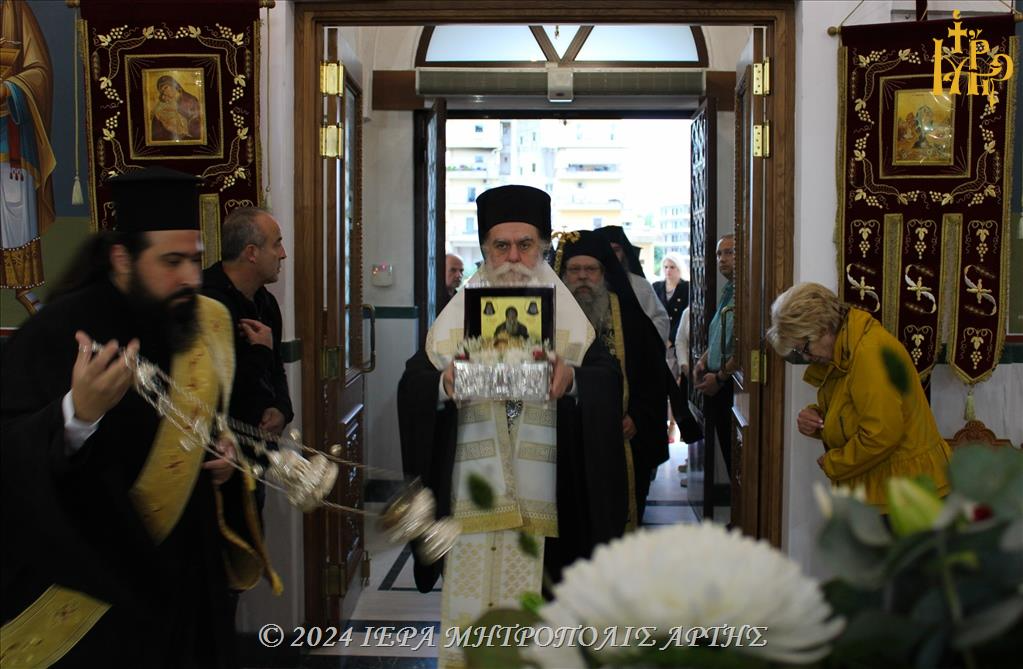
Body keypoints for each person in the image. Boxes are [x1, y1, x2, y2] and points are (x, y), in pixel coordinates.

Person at [0, 167, 279, 668]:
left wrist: (222, 455)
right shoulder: (58, 331)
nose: (190, 278)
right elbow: (11, 453)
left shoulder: (204, 323)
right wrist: (77, 414)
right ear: (122, 259)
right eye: (171, 261)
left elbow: (210, 422)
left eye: (195, 259)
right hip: (98, 591)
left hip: (191, 573)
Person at [397, 185, 628, 669]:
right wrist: (443, 384)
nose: (514, 257)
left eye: (525, 244)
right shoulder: (457, 314)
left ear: (542, 246)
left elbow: (607, 379)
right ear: (485, 248)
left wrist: (573, 380)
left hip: (551, 501)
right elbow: (413, 384)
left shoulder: (570, 317)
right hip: (471, 497)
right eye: (501, 246)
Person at [766, 282, 953, 512]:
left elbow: (881, 434)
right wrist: (817, 418)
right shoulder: (846, 349)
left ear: (823, 327)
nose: (806, 357)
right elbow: (852, 408)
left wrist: (834, 463)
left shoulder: (869, 352)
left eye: (804, 347)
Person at [556, 230, 700, 526]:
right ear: (563, 273)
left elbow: (652, 373)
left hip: (622, 434)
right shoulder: (549, 315)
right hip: (566, 436)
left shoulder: (629, 315)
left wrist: (637, 415)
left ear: (603, 272)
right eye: (575, 269)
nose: (582, 277)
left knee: (616, 515)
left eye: (591, 269)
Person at [202, 206, 293, 512]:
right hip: (219, 458)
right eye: (277, 244)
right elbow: (218, 391)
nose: (283, 254)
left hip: (256, 453)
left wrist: (282, 408)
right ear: (252, 253)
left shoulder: (267, 303)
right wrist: (260, 351)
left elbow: (276, 367)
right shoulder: (208, 303)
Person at [1, 0, 56, 314]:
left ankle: (23, 286)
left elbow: (39, 73)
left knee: (14, 205)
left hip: (9, 131)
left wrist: (10, 89)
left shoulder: (14, 10)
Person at [694, 234, 736, 478]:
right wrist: (702, 360)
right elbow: (720, 336)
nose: (722, 259)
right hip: (715, 378)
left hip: (730, 382)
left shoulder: (746, 294)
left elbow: (745, 346)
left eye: (729, 252)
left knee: (735, 455)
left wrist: (720, 378)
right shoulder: (728, 291)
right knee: (725, 446)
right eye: (719, 253)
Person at [593, 225, 670, 345]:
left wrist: (639, 340)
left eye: (616, 250)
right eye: (606, 250)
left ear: (623, 253)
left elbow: (660, 320)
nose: (611, 255)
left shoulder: (640, 286)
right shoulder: (585, 286)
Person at [151, 75, 202, 142]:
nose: (164, 92)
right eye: (162, 91)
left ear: (174, 85)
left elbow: (197, 122)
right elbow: (156, 129)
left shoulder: (191, 100)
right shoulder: (163, 103)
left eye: (165, 87)